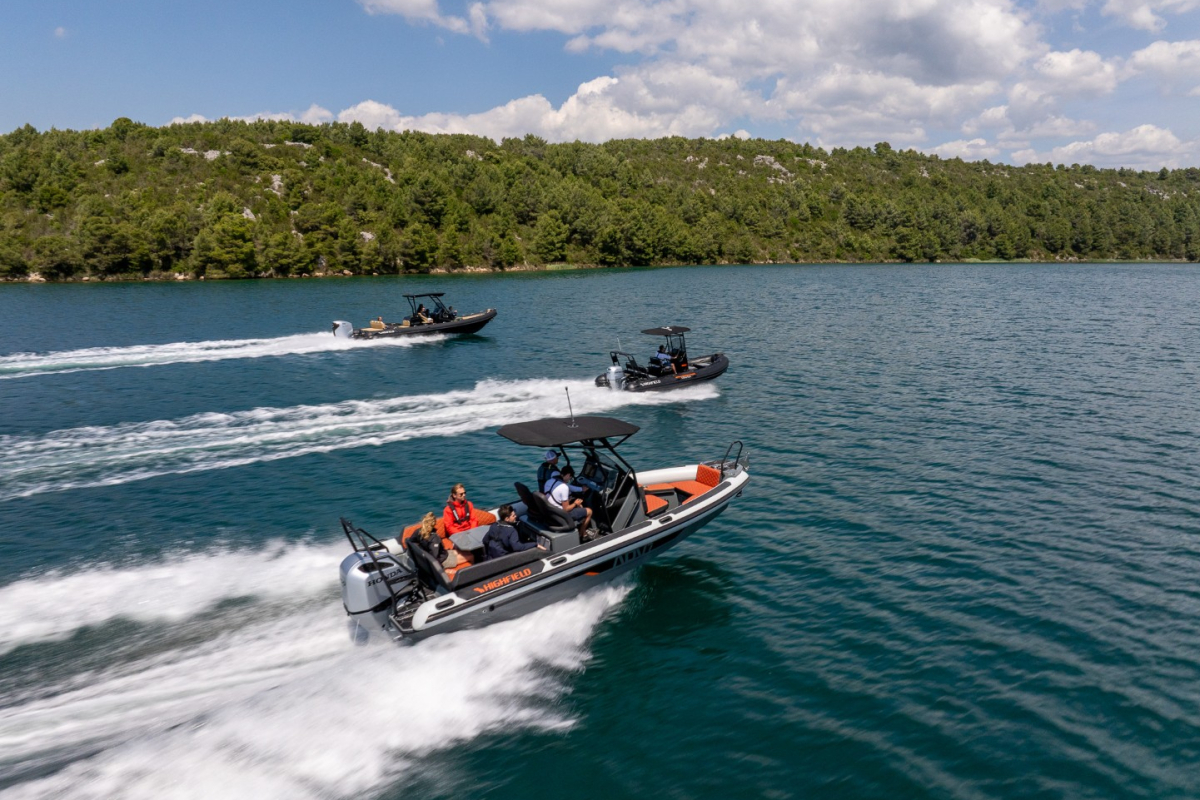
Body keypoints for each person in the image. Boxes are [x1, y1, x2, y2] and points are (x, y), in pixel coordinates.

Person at [545, 466, 592, 536]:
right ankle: (582, 533)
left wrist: (580, 490)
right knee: (589, 511)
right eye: (570, 477)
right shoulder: (564, 487)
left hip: (551, 511)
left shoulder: (549, 481)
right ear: (568, 475)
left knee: (579, 505)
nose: (570, 479)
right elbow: (566, 509)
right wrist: (575, 503)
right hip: (561, 514)